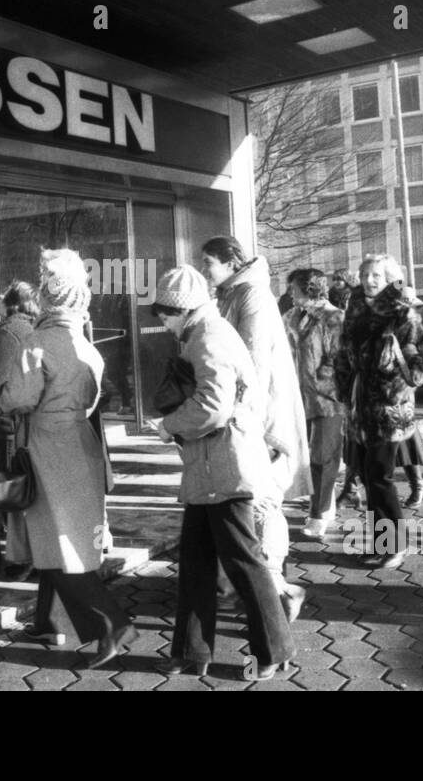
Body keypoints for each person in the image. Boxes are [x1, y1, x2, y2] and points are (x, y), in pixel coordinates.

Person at [151, 265, 296, 679]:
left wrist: (168, 425)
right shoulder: (206, 333)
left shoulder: (207, 338)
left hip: (223, 469)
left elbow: (213, 407)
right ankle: (192, 651)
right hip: (214, 468)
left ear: (181, 310)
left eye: (163, 313)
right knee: (196, 562)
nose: (161, 322)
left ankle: (273, 649)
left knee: (242, 562)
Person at [0, 248, 135, 669]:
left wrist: (6, 397)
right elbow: (95, 399)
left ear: (46, 295)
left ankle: (111, 622)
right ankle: (48, 619)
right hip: (80, 442)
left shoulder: (37, 342)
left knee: (55, 539)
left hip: (45, 443)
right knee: (64, 533)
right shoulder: (86, 344)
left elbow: (20, 396)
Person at [201, 236, 309, 619]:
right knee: (247, 502)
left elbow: (254, 364)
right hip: (250, 414)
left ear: (231, 262)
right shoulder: (235, 293)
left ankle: (276, 588)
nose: (205, 271)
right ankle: (248, 586)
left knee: (261, 501)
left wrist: (248, 422)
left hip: (261, 416)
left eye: (209, 262)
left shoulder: (251, 296)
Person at [333, 255, 423, 569]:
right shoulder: (356, 306)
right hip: (359, 404)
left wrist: (393, 365)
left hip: (388, 407)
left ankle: (395, 546)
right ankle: (380, 542)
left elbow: (418, 369)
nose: (369, 280)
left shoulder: (403, 312)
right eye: (364, 274)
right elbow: (344, 351)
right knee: (367, 475)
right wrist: (344, 386)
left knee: (380, 477)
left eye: (376, 275)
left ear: (390, 278)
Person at [0, 280, 41, 583]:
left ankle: (19, 556)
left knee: (10, 486)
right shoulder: (38, 327)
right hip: (35, 422)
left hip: (10, 420)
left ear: (11, 302)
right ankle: (33, 554)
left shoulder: (8, 331)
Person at [283, 269, 345, 538]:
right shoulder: (291, 316)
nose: (290, 293)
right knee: (306, 457)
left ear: (309, 288)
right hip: (298, 397)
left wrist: (322, 384)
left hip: (326, 399)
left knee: (323, 456)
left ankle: (318, 513)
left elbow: (339, 358)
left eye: (293, 288)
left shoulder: (333, 317)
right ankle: (324, 504)